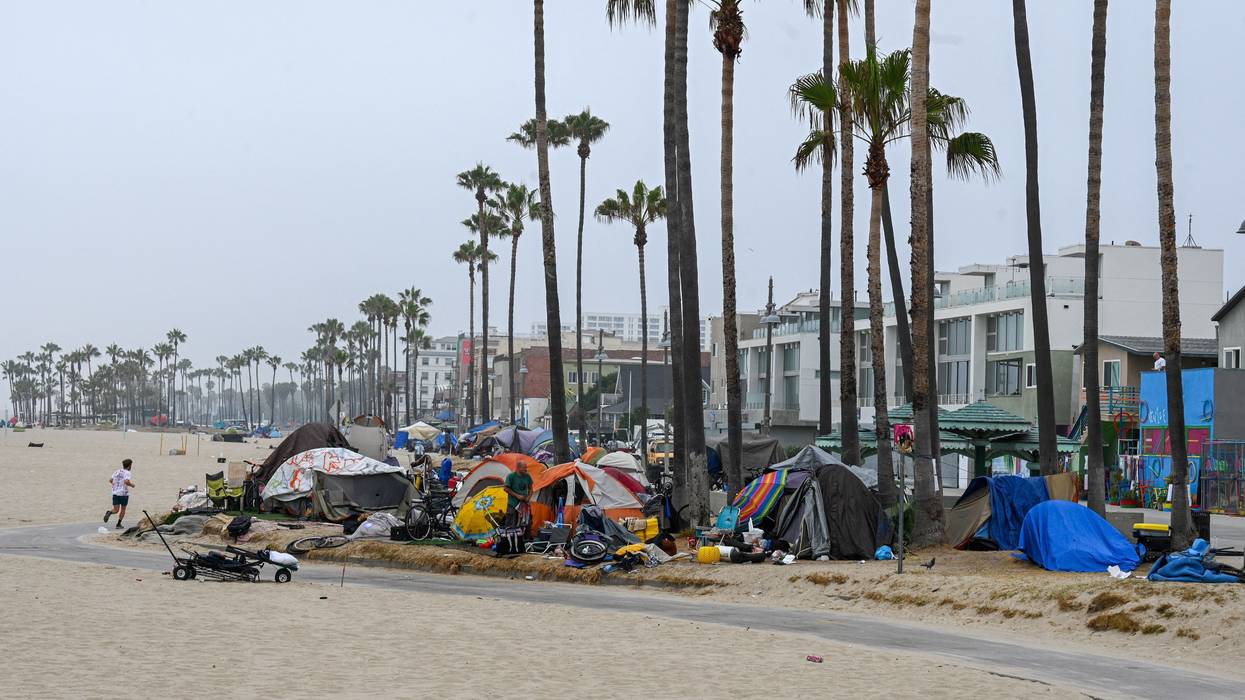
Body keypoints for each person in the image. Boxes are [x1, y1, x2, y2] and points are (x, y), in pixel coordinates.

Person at [104, 459, 135, 529]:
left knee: (116, 510)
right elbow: (126, 481)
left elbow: (110, 480)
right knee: (123, 509)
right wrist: (132, 485)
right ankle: (118, 524)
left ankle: (109, 513)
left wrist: (115, 485)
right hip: (123, 493)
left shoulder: (117, 471)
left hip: (115, 493)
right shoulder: (127, 472)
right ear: (130, 465)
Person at [503, 460, 533, 526]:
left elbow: (531, 489)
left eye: (526, 468)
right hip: (513, 504)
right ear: (518, 468)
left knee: (526, 523)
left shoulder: (527, 476)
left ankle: (524, 536)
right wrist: (517, 496)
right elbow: (505, 488)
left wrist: (528, 497)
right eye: (524, 468)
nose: (526, 469)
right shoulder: (511, 476)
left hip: (524, 504)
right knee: (511, 523)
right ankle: (509, 535)